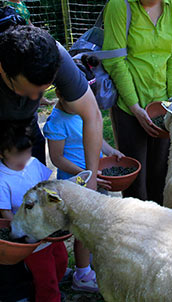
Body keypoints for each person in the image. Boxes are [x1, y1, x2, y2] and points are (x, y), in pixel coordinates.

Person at [0, 25, 103, 302]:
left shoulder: (55, 57)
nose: (37, 99)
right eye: (27, 92)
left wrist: (92, 180)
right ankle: (14, 293)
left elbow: (92, 114)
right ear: (1, 68)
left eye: (43, 91)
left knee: (38, 204)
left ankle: (45, 274)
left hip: (23, 131)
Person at [102, 0, 172, 202]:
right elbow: (116, 61)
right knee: (137, 188)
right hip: (129, 108)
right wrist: (136, 107)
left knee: (161, 179)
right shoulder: (119, 4)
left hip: (161, 107)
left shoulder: (171, 7)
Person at [43, 57, 123, 293]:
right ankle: (82, 274)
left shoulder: (83, 107)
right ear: (59, 92)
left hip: (96, 175)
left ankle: (94, 265)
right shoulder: (57, 121)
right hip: (76, 182)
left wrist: (110, 150)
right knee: (83, 229)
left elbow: (97, 135)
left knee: (98, 223)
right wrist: (87, 173)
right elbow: (57, 158)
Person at [0, 121, 67, 302]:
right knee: (46, 277)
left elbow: (47, 185)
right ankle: (50, 296)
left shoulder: (32, 163)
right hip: (32, 239)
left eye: (27, 152)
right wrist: (22, 232)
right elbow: (5, 211)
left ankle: (53, 286)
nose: (24, 159)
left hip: (50, 229)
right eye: (17, 155)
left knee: (61, 260)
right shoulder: (1, 181)